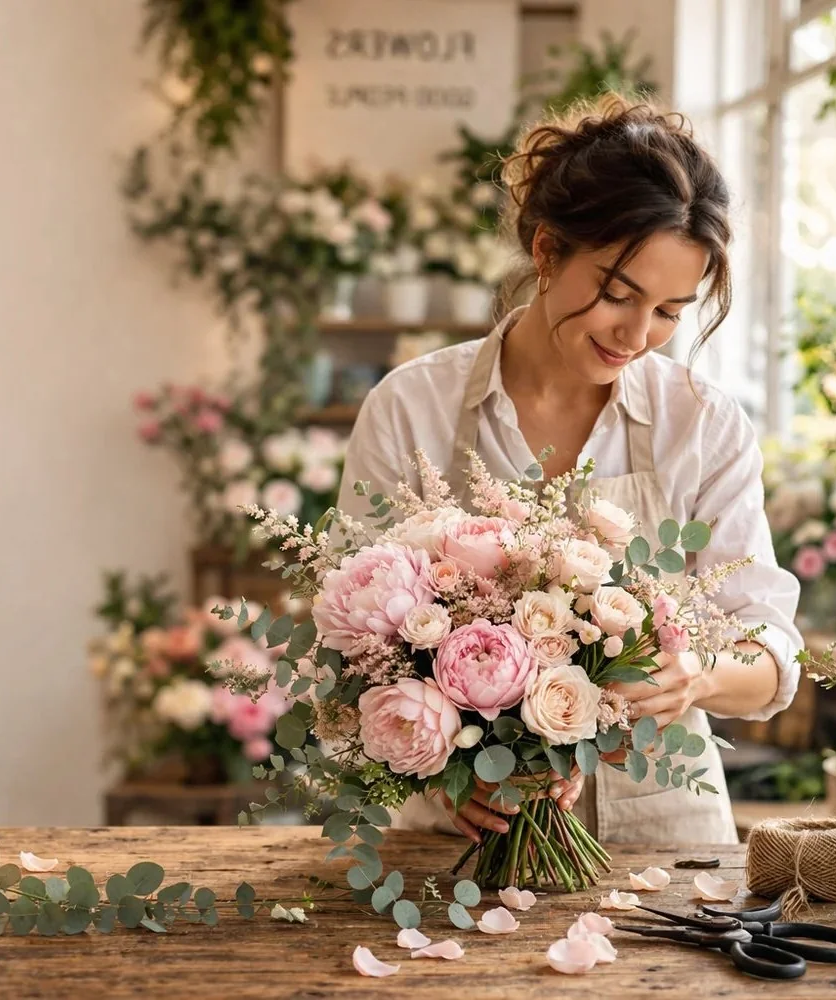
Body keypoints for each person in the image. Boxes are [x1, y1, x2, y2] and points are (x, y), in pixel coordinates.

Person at [335, 97, 802, 845]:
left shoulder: (701, 422)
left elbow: (770, 649)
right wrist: (439, 779)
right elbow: (352, 649)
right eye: (618, 294)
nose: (637, 334)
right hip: (459, 845)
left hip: (666, 845)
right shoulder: (410, 408)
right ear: (548, 251)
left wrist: (701, 677)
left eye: (670, 311)